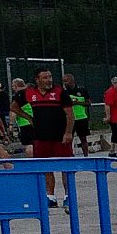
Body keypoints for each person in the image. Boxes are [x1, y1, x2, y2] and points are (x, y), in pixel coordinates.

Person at [20, 69, 72, 204]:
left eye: (50, 76)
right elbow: (14, 106)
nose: (49, 80)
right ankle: (50, 196)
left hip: (60, 136)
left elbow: (70, 115)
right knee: (45, 166)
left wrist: (68, 133)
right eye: (45, 77)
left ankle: (68, 196)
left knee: (65, 166)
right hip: (41, 136)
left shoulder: (60, 92)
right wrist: (28, 118)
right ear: (37, 80)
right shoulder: (29, 93)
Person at [62, 73, 92, 156]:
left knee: (83, 138)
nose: (65, 83)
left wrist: (77, 102)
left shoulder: (82, 90)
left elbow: (89, 103)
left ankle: (86, 156)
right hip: (69, 119)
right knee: (69, 138)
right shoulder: (64, 92)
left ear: (72, 81)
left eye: (66, 81)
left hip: (81, 118)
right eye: (63, 81)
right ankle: (70, 155)